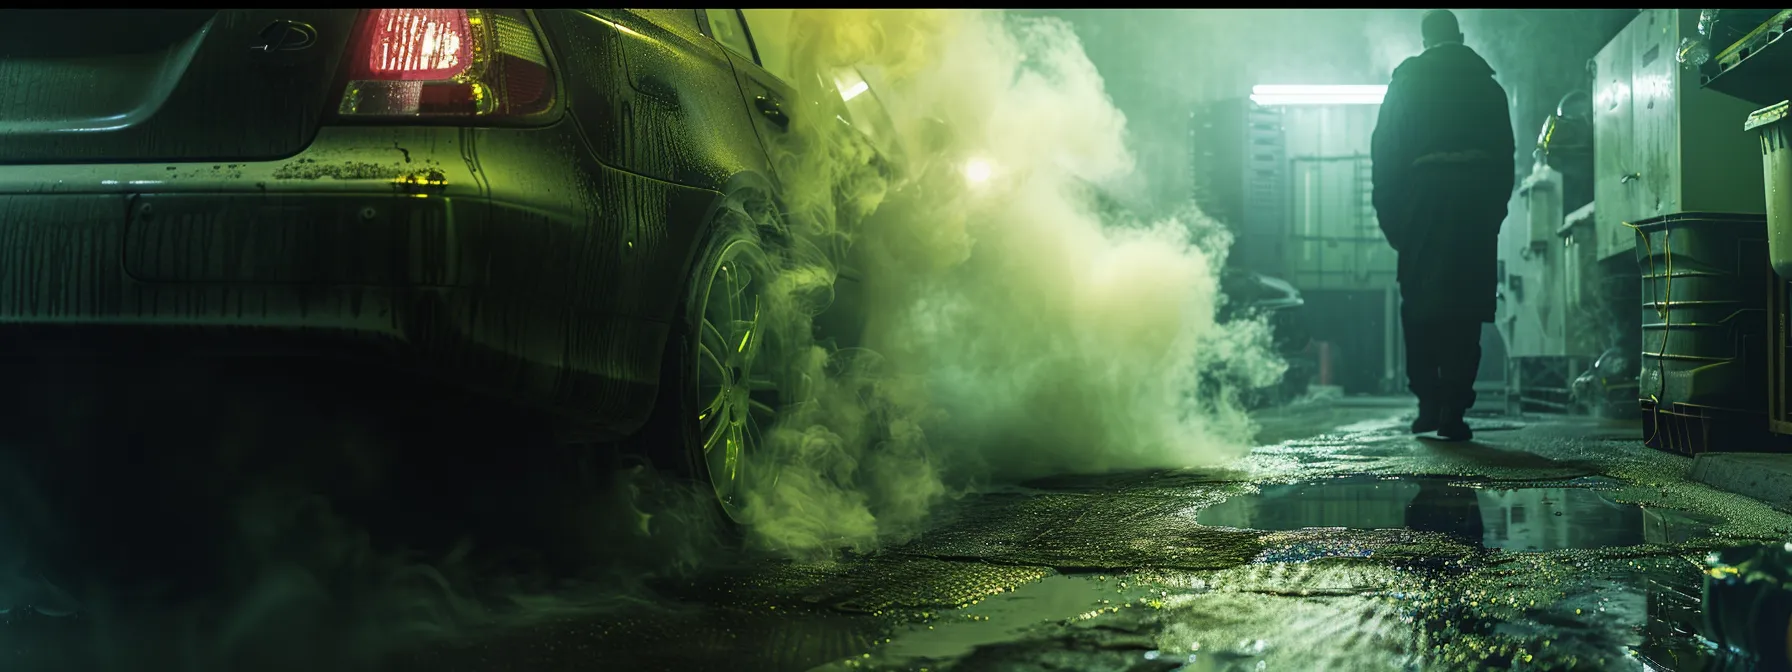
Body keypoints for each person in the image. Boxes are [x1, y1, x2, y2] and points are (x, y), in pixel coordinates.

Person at [1371, 9, 1516, 442]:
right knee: (1466, 309)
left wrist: (1392, 218)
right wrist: (1494, 211)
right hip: (1473, 206)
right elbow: (1506, 157)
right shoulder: (1489, 88)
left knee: (1420, 305)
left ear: (1424, 41)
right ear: (1461, 36)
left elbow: (1386, 153)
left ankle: (1427, 404)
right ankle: (1454, 408)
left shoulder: (1406, 85)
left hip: (1422, 202)